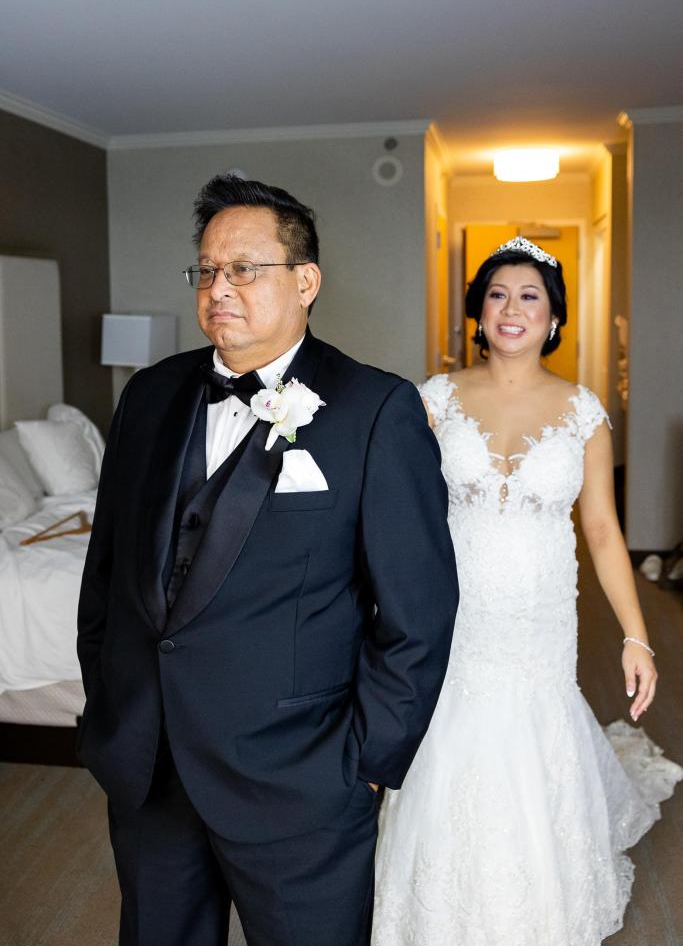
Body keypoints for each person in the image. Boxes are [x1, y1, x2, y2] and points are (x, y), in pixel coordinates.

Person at [76, 174, 458, 946]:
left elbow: (417, 611)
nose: (219, 288)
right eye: (207, 269)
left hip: (300, 778)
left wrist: (367, 763)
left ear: (305, 282)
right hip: (149, 768)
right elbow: (107, 573)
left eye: (244, 269)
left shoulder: (375, 409)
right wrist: (112, 704)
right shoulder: (148, 395)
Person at [372, 237, 682, 946]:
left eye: (529, 296)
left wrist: (636, 636)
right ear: (479, 313)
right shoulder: (434, 399)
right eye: (497, 295)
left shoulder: (583, 412)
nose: (511, 309)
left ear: (553, 317)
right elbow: (399, 511)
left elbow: (601, 530)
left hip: (539, 615)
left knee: (533, 731)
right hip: (454, 608)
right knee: (449, 730)